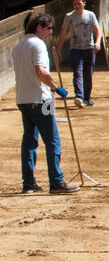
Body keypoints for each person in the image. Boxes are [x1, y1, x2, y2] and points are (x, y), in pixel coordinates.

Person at [12, 12, 77, 194]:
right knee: (52, 141)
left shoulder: (18, 46)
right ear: (39, 27)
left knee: (29, 141)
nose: (50, 32)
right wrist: (56, 88)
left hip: (23, 100)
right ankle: (56, 181)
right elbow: (40, 71)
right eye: (48, 28)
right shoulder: (38, 45)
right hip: (41, 100)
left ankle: (29, 182)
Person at [56, 0, 101, 108]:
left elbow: (97, 30)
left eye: (79, 4)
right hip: (75, 49)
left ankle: (87, 97)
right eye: (75, 4)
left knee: (88, 74)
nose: (77, 6)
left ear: (84, 3)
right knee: (77, 73)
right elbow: (62, 33)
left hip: (89, 48)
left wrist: (97, 42)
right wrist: (58, 50)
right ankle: (79, 96)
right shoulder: (69, 17)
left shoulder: (90, 15)